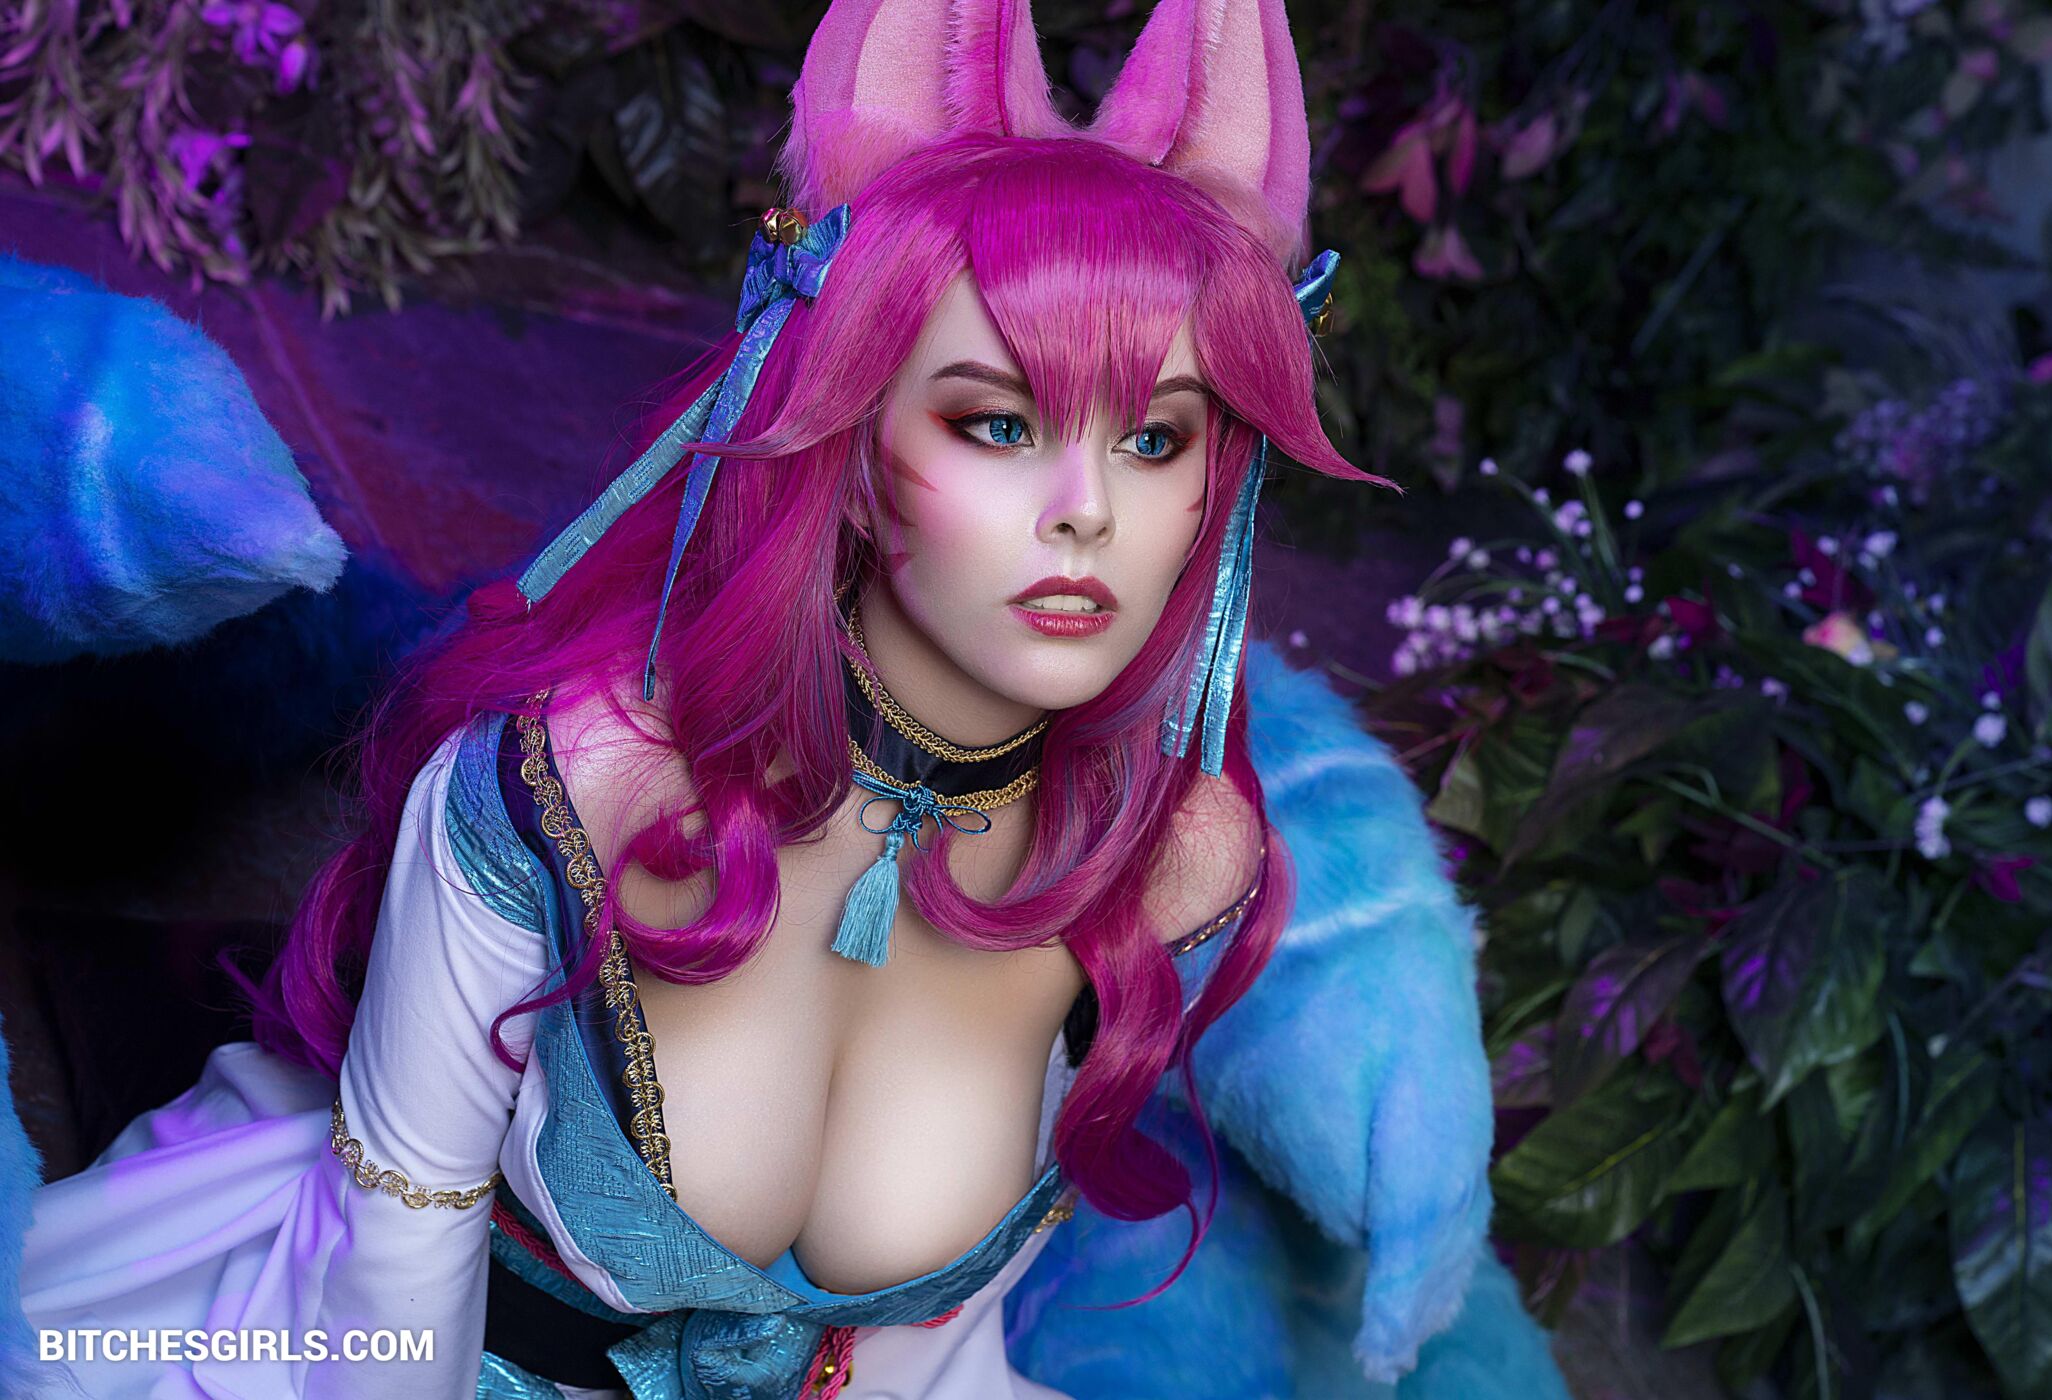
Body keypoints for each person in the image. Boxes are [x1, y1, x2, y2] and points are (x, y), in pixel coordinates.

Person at [2, 0, 1574, 1396]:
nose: (1087, 511)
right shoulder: (580, 771)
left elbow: (929, 1345)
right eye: (999, 423)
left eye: (1156, 438)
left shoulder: (1179, 856)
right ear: (857, 453)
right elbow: (392, 1255)